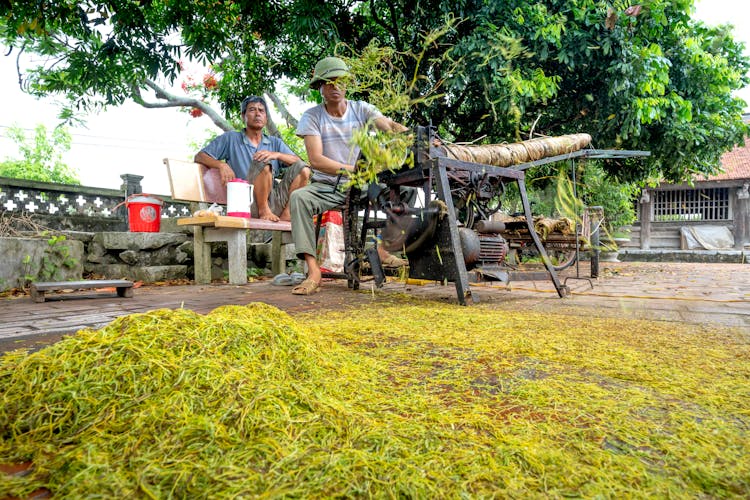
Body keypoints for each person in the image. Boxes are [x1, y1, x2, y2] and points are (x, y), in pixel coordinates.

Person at [289, 56, 412, 295]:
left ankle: (382, 249)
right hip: (327, 187)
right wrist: (353, 170)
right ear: (320, 88)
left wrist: (412, 135)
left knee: (406, 191)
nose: (335, 87)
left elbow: (386, 125)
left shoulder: (361, 109)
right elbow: (316, 160)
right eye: (329, 82)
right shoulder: (312, 116)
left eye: (340, 81)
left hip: (363, 185)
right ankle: (314, 271)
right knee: (299, 198)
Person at [194, 96, 310, 221]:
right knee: (263, 163)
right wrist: (221, 165)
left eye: (261, 111)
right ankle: (263, 210)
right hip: (246, 202)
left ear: (266, 118)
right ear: (243, 116)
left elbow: (300, 162)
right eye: (252, 110)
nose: (257, 114)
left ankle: (287, 216)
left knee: (304, 169)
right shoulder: (231, 138)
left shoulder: (275, 142)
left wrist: (277, 155)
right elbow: (199, 156)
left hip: (276, 201)